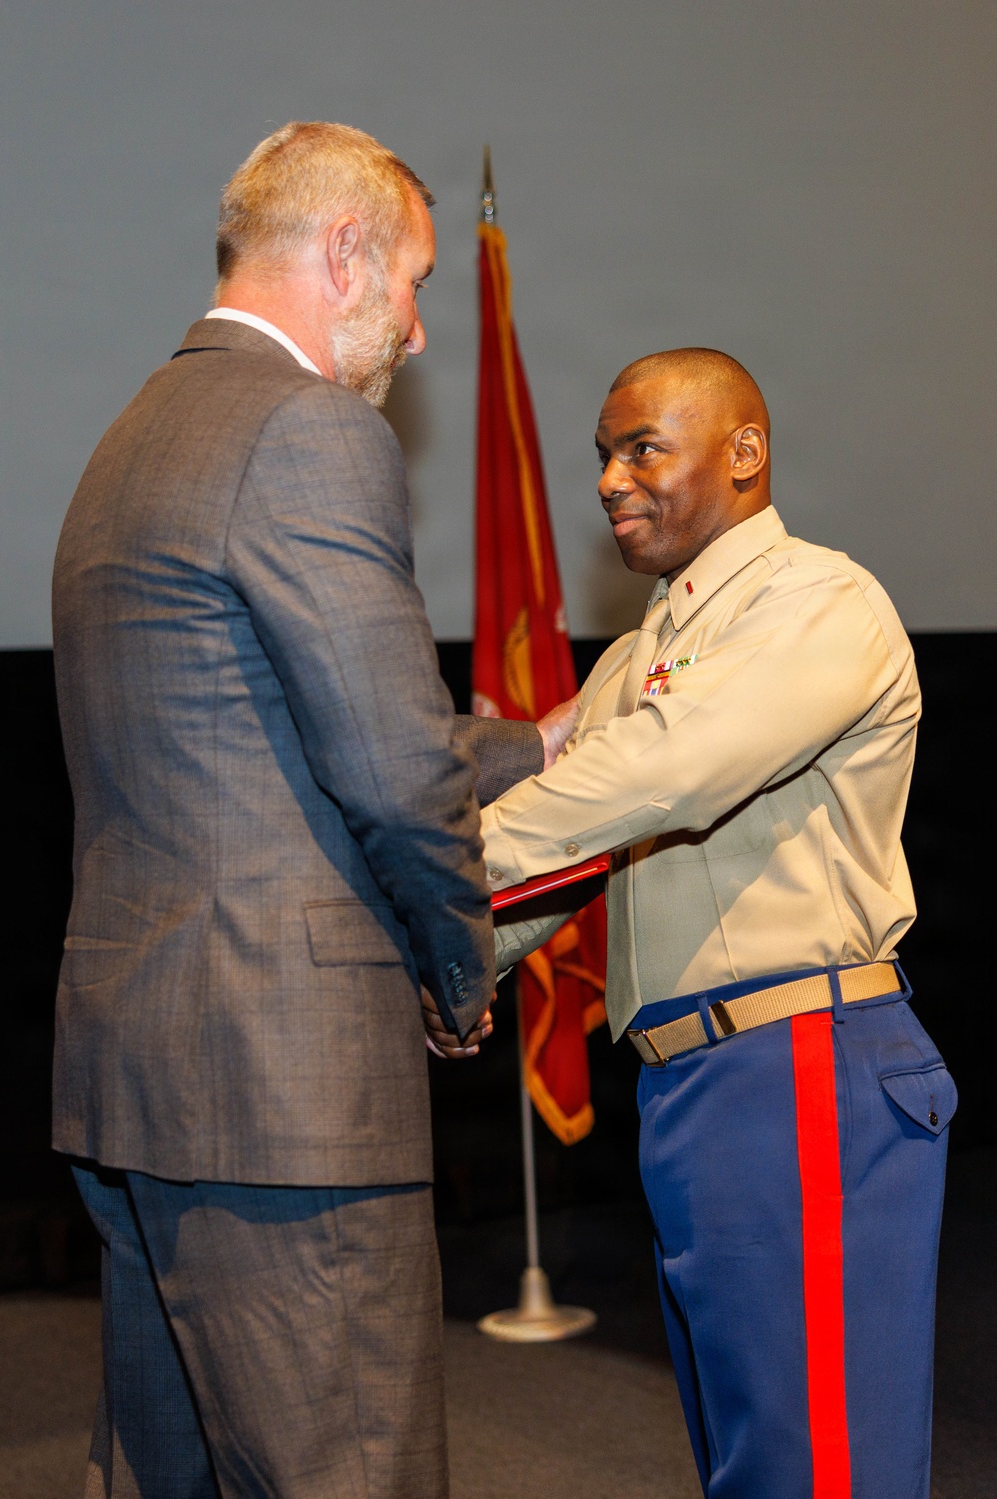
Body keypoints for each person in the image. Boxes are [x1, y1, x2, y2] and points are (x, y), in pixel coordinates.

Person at [52, 121, 559, 1499]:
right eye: (413, 281)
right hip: (282, 1092)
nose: (416, 326)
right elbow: (391, 768)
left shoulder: (135, 436)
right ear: (343, 252)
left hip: (144, 1080)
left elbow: (262, 731)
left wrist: (535, 739)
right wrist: (464, 973)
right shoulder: (307, 429)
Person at [479, 349, 954, 1499]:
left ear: (745, 453)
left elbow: (664, 771)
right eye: (601, 453)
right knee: (752, 1458)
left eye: (641, 445)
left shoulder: (816, 598)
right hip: (692, 1082)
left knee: (820, 1468)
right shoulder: (646, 649)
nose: (606, 477)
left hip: (799, 1066)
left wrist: (440, 887)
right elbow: (571, 844)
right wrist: (443, 963)